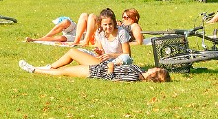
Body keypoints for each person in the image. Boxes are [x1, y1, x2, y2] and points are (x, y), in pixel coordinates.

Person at [19, 50, 169, 82]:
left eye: (156, 70)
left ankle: (35, 70)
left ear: (153, 76)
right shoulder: (139, 70)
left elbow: (112, 79)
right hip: (101, 65)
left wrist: (111, 68)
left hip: (97, 71)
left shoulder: (134, 77)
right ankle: (48, 67)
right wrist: (118, 61)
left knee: (64, 72)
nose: (154, 67)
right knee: (73, 52)